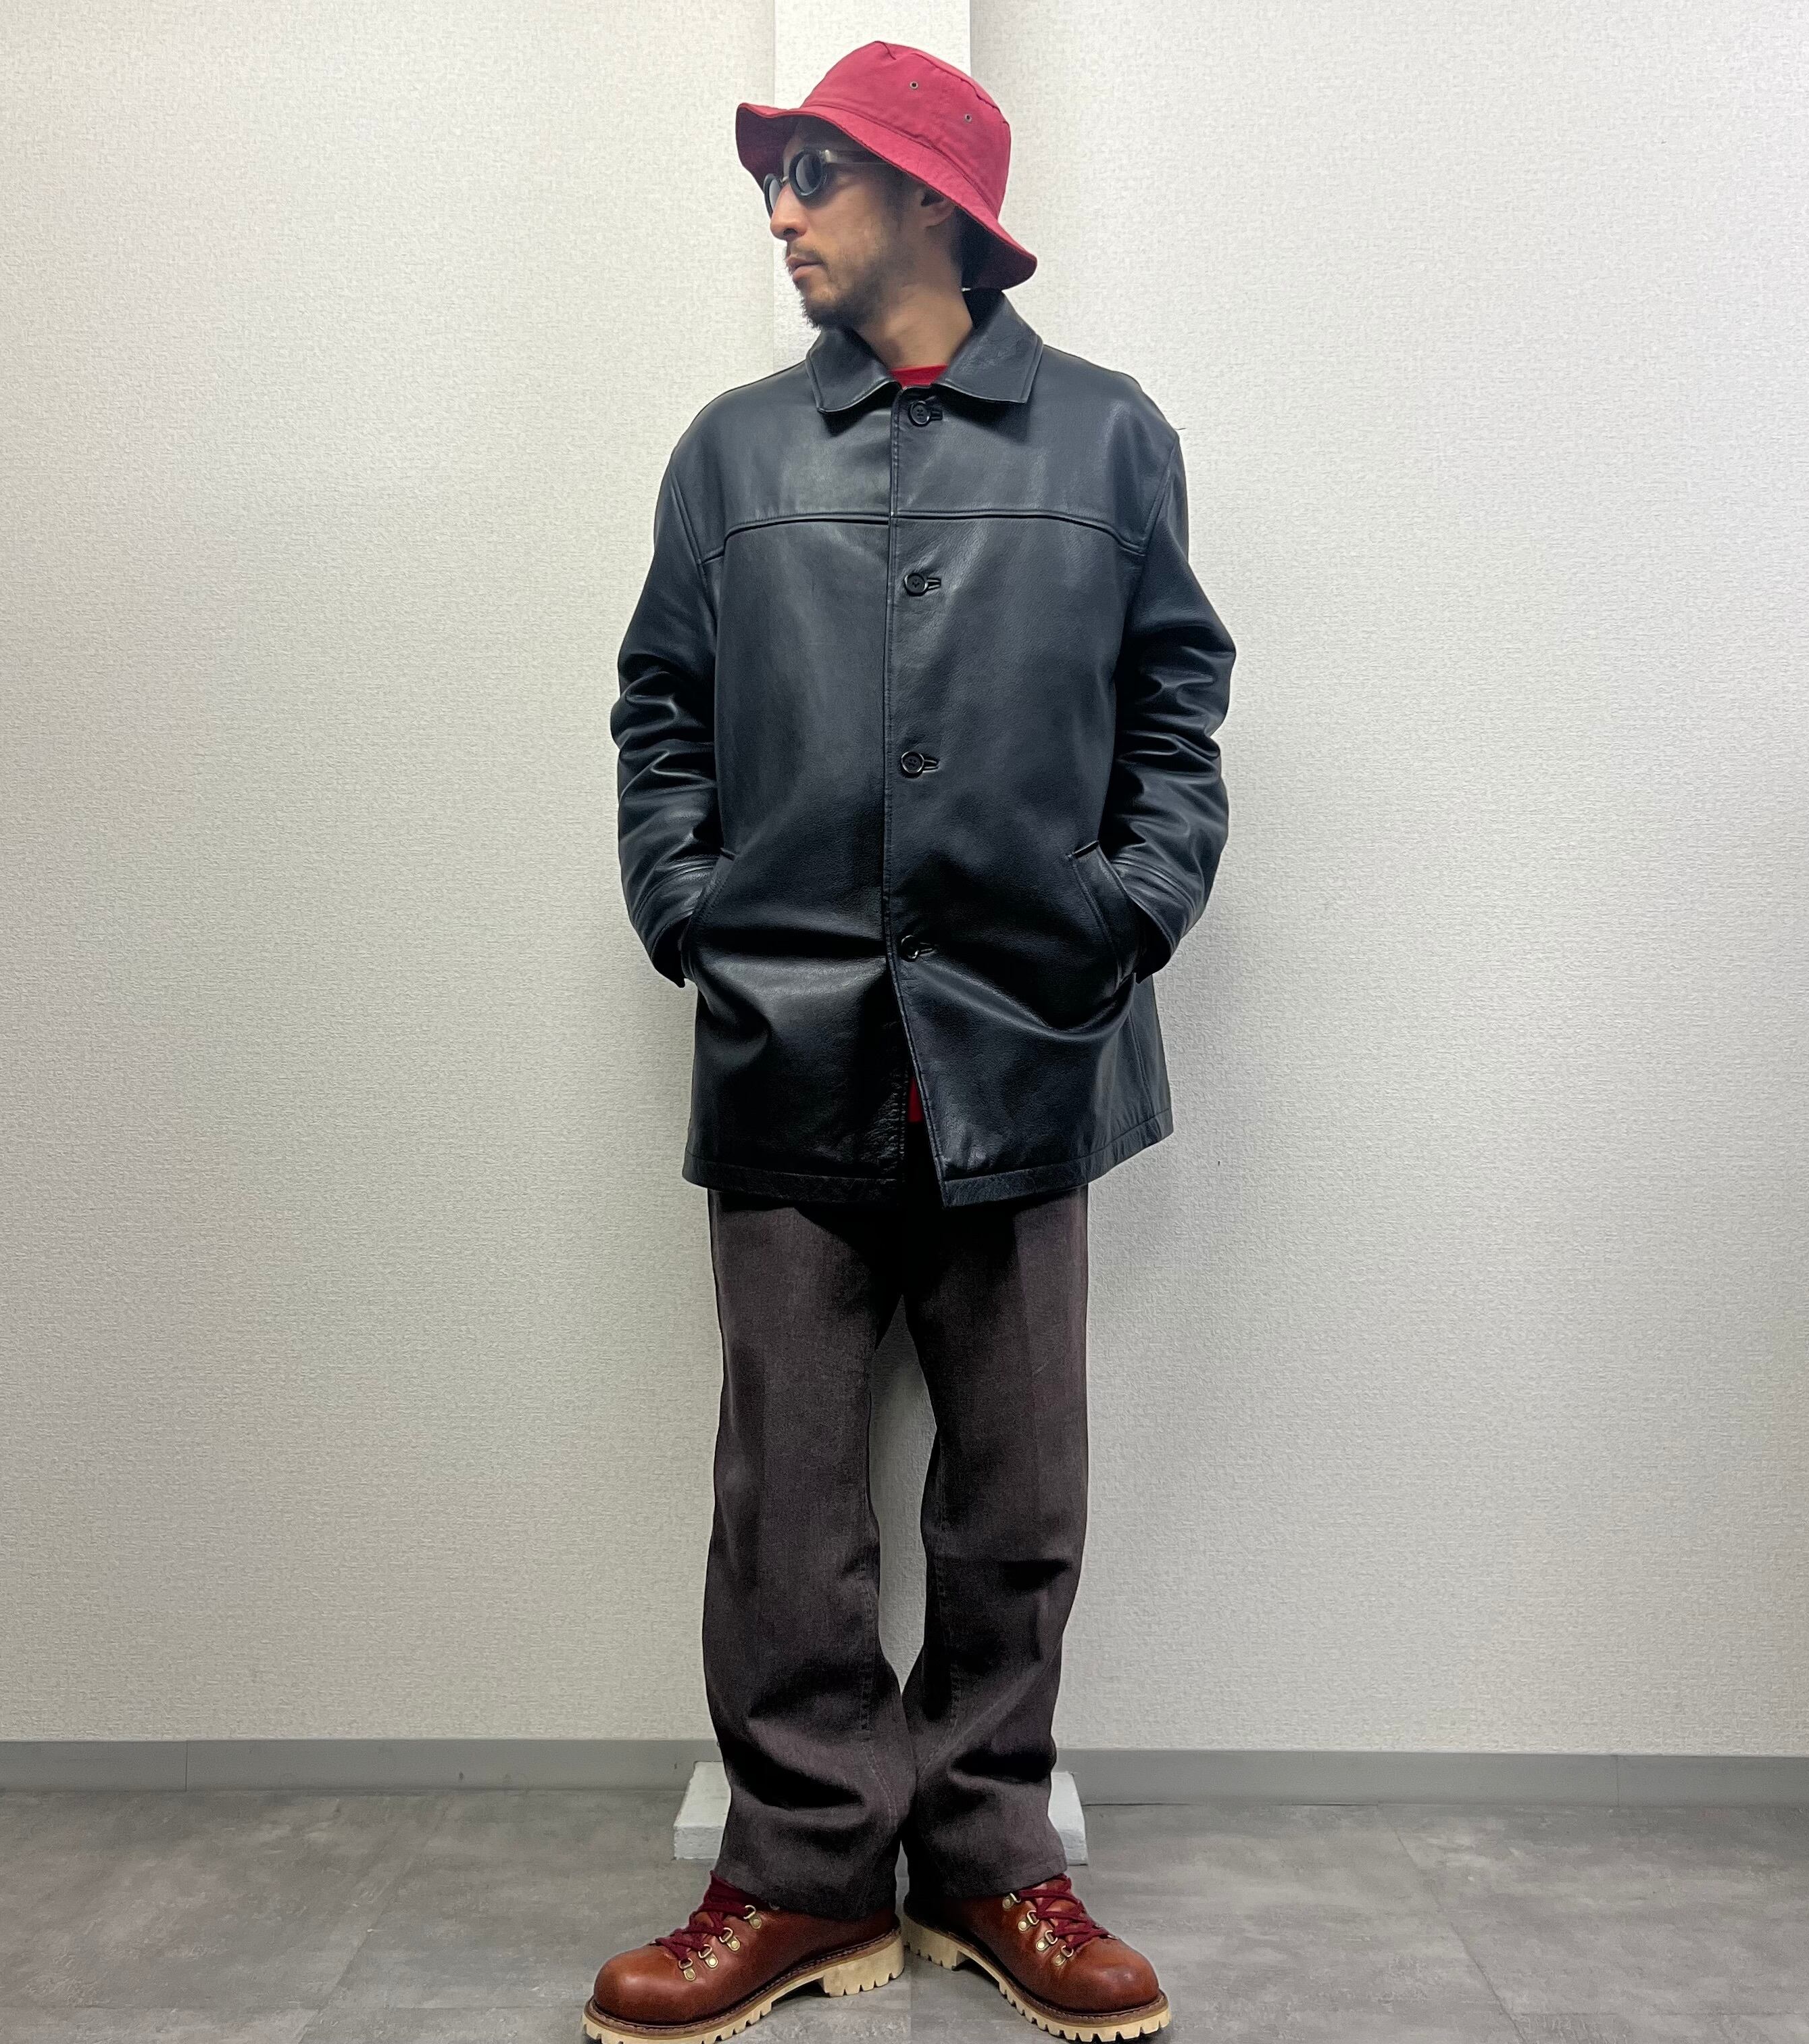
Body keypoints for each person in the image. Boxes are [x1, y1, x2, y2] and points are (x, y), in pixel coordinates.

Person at [591, 39, 1233, 2044]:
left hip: (1032, 1040)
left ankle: (987, 1860)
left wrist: (1124, 915)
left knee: (1018, 1492)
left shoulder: (1109, 439)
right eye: (776, 177)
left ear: (931, 198)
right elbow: (660, 712)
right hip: (786, 1042)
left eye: (815, 175)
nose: (779, 213)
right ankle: (797, 1877)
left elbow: (1178, 708)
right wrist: (695, 914)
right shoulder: (732, 455)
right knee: (785, 1496)